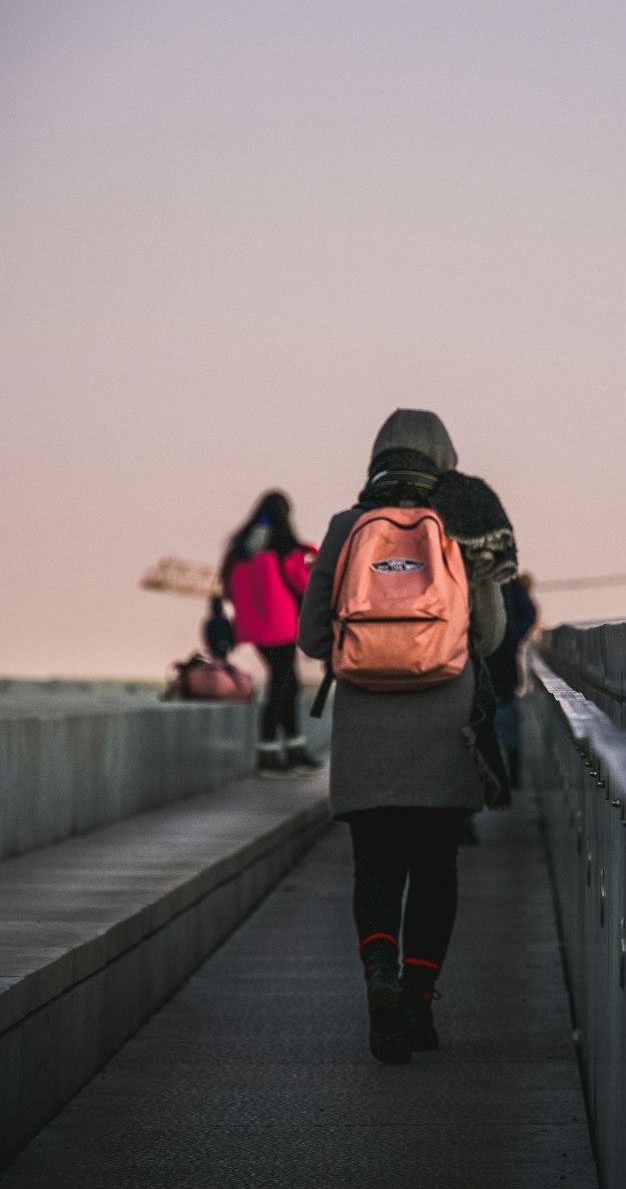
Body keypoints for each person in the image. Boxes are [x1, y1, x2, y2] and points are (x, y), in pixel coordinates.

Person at [298, 410, 512, 1064]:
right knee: (435, 868)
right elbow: (493, 635)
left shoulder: (345, 527)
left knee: (377, 867)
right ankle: (418, 1000)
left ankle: (380, 966)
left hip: (367, 736)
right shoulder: (462, 519)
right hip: (443, 731)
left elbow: (311, 638)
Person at [221, 490, 322, 777]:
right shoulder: (287, 549)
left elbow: (229, 590)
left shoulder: (239, 552)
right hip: (282, 627)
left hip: (254, 628)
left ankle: (292, 748)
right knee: (283, 686)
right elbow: (305, 585)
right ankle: (270, 752)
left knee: (286, 684)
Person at [486, 572, 538, 789]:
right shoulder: (509, 582)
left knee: (488, 723)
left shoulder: (469, 576)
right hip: (503, 665)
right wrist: (511, 639)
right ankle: (509, 778)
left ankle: (497, 778)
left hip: (481, 666)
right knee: (507, 724)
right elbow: (529, 613)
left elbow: (529, 614)